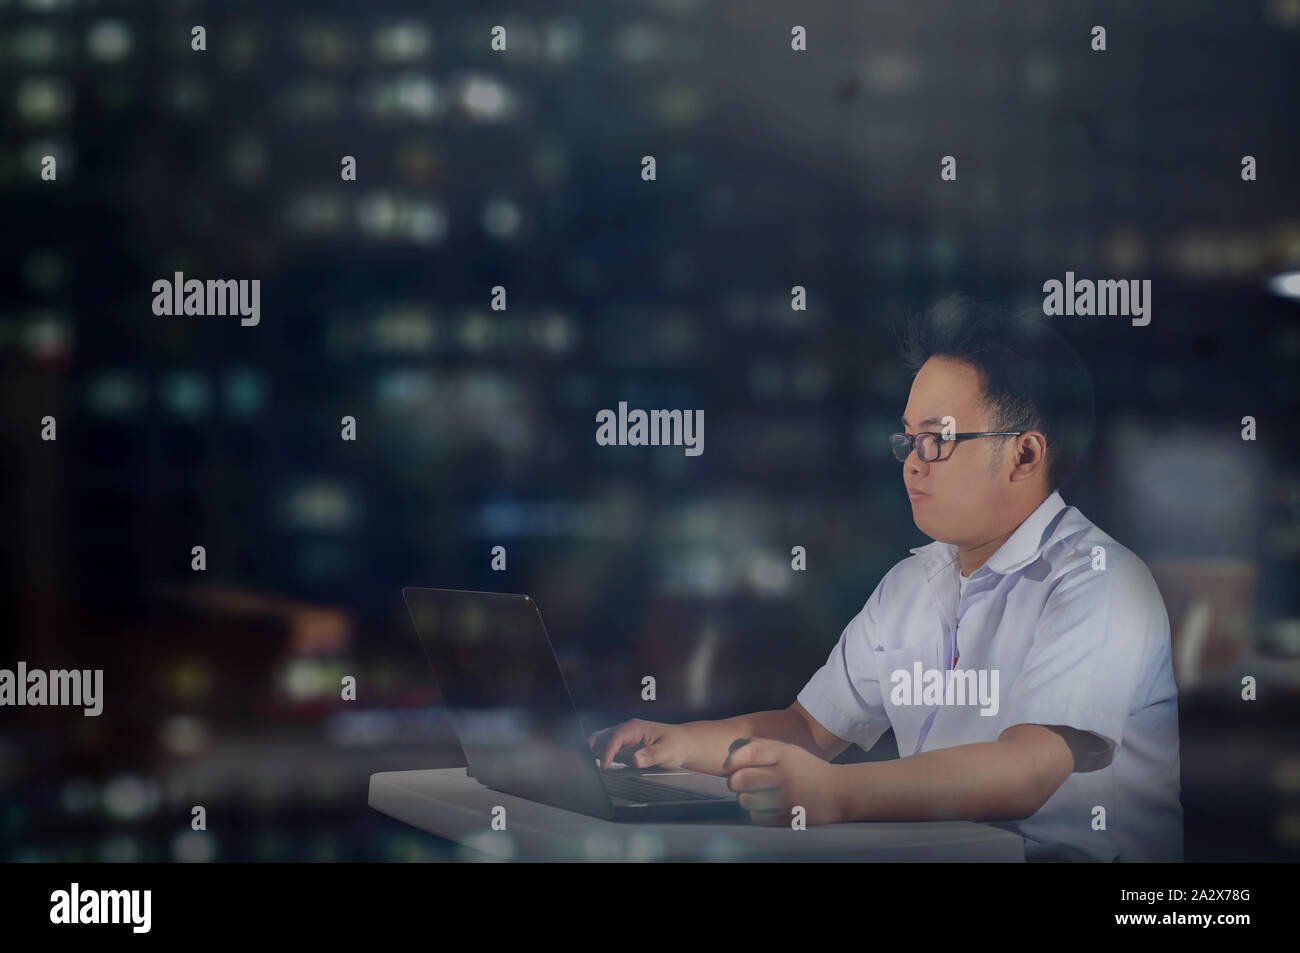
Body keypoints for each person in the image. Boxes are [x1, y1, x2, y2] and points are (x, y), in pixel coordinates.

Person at [588, 293, 1183, 862]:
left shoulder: (1101, 581)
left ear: (1026, 455)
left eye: (939, 438)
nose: (914, 461)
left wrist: (839, 795)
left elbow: (1029, 769)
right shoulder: (911, 583)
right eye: (910, 437)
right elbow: (809, 730)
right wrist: (681, 744)